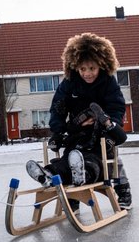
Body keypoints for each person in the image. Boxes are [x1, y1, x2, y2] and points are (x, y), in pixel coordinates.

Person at [25, 32, 133, 209]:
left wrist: (110, 125)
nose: (87, 74)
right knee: (67, 160)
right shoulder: (70, 83)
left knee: (109, 163)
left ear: (102, 65)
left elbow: (117, 106)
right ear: (75, 67)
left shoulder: (108, 83)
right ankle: (48, 175)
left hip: (101, 133)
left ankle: (123, 192)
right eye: (83, 69)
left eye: (92, 68)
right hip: (77, 132)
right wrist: (58, 131)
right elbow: (58, 107)